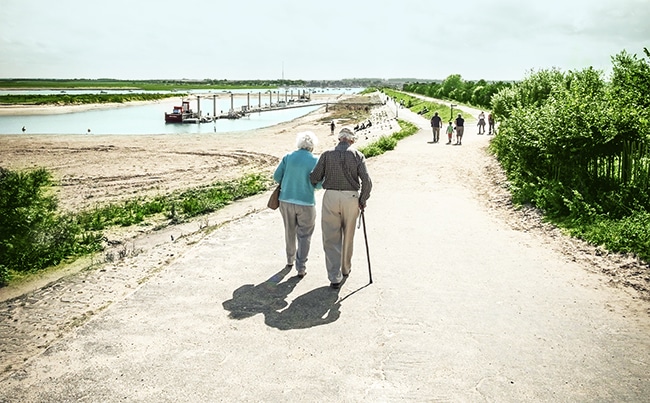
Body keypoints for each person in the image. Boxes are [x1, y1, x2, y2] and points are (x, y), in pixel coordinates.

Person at [310, 127, 372, 289]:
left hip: (330, 196)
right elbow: (367, 181)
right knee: (348, 235)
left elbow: (315, 177)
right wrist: (362, 199)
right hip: (351, 197)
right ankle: (345, 268)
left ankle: (334, 276)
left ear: (339, 139)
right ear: (351, 140)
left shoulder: (326, 154)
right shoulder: (358, 155)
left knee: (330, 236)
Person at [273, 131, 321, 279]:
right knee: (305, 235)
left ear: (299, 143)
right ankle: (301, 267)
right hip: (306, 202)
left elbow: (276, 177)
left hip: (286, 200)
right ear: (312, 145)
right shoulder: (315, 160)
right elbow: (319, 185)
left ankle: (289, 259)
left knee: (289, 231)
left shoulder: (288, 157)